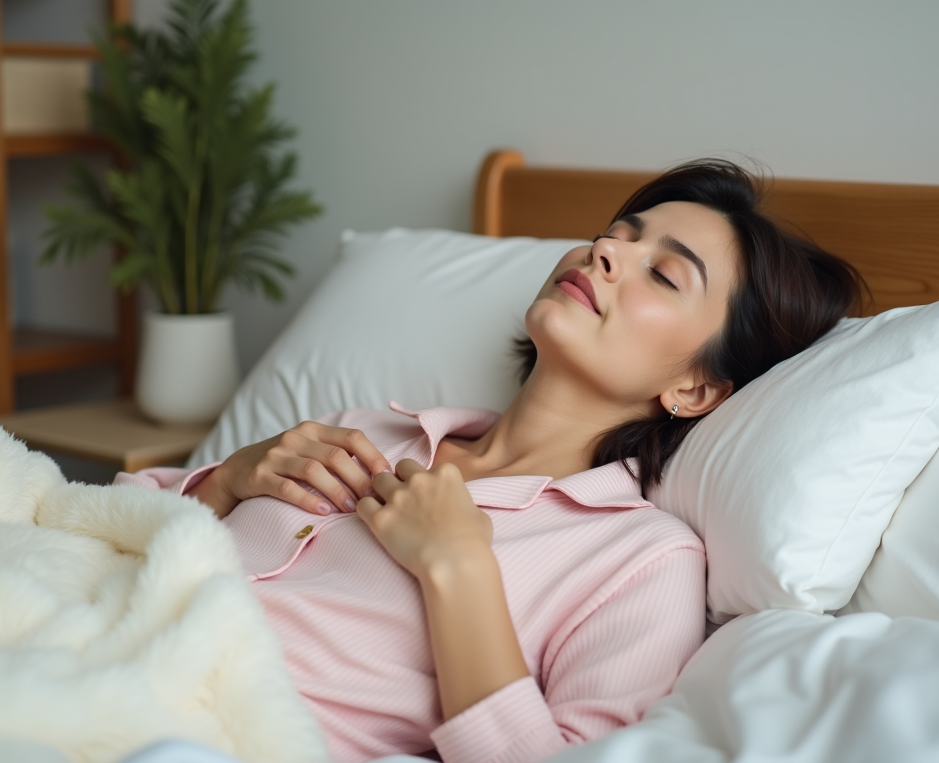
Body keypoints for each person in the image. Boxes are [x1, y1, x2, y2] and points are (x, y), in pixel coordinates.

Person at [118, 159, 862, 763]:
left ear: (694, 386)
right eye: (617, 235)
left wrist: (459, 571)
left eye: (663, 275)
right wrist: (226, 478)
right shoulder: (370, 428)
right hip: (82, 639)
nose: (605, 252)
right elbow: (104, 526)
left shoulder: (639, 562)